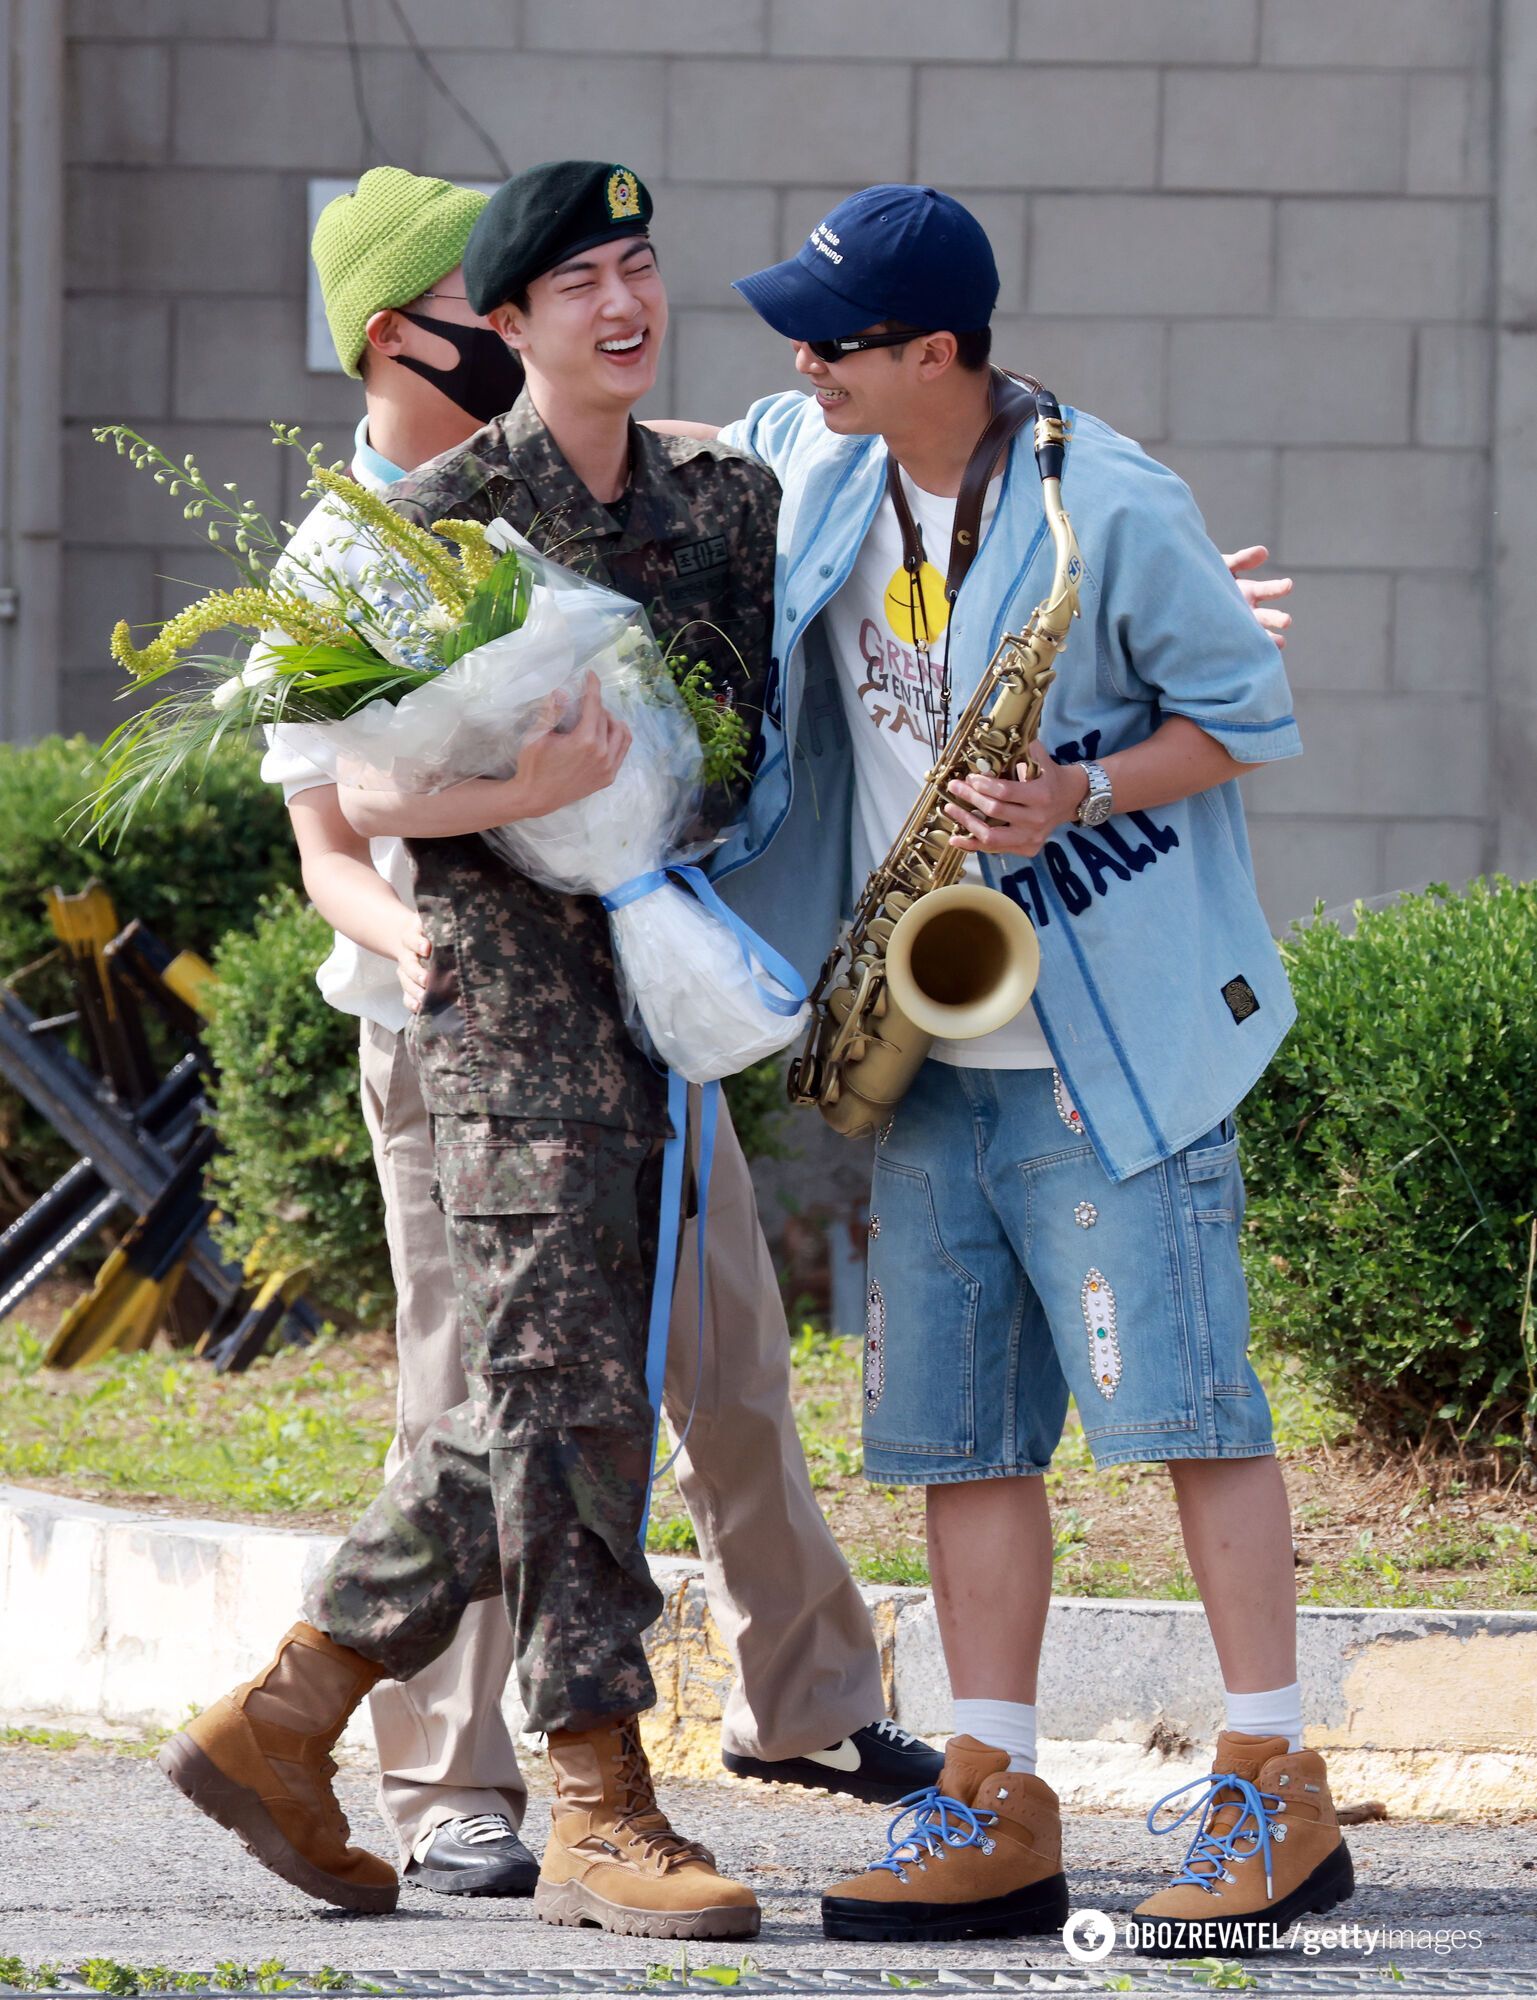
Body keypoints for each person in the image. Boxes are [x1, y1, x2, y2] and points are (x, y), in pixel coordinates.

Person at [156, 161, 938, 1942]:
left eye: (640, 267)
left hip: (655, 991)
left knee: (555, 1388)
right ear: (499, 330)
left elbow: (745, 740)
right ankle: (592, 1791)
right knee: (556, 1385)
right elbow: (364, 797)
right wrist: (540, 794)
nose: (621, 301)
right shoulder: (428, 525)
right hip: (492, 1005)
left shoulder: (722, 496)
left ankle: (280, 1721)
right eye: (574, 280)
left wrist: (659, 787)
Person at [678, 184, 1345, 1954]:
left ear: (937, 354)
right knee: (958, 1437)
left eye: (835, 339)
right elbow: (685, 437)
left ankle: (1274, 1785)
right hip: (934, 1034)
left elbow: (1245, 723)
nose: (797, 361)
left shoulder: (1107, 508)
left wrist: (1075, 791)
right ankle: (991, 1788)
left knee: (1190, 1412)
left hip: (1105, 1038)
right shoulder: (816, 454)